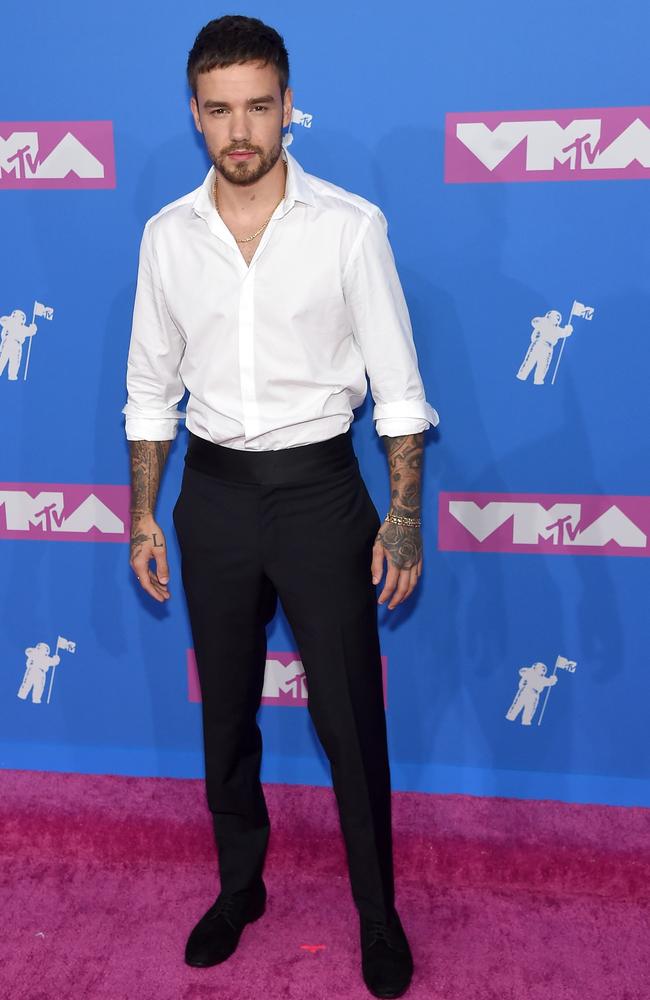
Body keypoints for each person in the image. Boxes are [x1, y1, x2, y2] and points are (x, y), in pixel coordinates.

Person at [121, 15, 439, 998]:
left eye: (258, 105)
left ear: (287, 105)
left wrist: (401, 518)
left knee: (350, 720)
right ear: (195, 115)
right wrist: (142, 513)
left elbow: (396, 389)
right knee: (226, 718)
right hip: (210, 497)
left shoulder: (347, 226)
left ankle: (377, 914)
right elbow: (148, 389)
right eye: (219, 110)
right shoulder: (166, 237)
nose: (240, 127)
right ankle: (239, 887)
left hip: (317, 494)